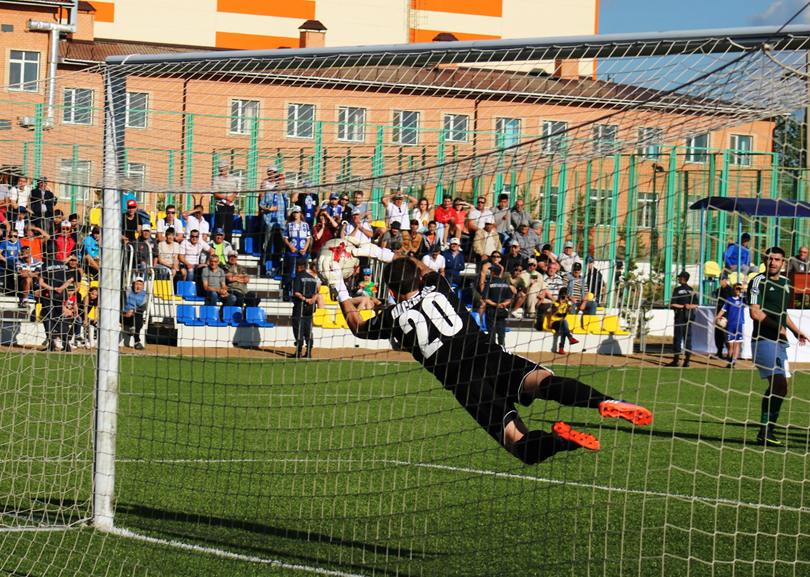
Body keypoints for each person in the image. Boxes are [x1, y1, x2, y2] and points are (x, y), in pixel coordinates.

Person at [324, 255, 653, 465]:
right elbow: (424, 269)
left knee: (518, 443)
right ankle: (607, 401)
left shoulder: (393, 316)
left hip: (464, 383)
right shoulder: (438, 286)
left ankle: (559, 440)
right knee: (544, 381)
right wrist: (385, 253)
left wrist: (339, 285)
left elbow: (357, 326)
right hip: (489, 355)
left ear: (391, 290)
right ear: (417, 277)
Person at [748, 247, 809, 447]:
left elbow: (783, 313)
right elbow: (754, 313)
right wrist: (777, 328)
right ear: (765, 261)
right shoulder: (758, 281)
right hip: (764, 340)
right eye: (769, 259)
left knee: (782, 388)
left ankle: (768, 430)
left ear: (783, 264)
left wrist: (794, 330)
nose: (772, 262)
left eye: (777, 260)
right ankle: (765, 430)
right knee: (778, 385)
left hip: (779, 341)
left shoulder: (786, 283)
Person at [258, 168, 288, 275]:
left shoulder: (284, 195)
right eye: (279, 182)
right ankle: (264, 266)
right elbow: (261, 205)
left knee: (280, 244)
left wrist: (286, 218)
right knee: (268, 244)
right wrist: (269, 209)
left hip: (280, 222)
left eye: (281, 182)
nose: (280, 184)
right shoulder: (269, 193)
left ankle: (277, 266)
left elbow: (287, 208)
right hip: (269, 221)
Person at [666, 271, 698, 368]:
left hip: (680, 316)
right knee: (688, 338)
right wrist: (689, 306)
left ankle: (676, 361)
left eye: (680, 278)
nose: (679, 279)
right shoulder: (691, 290)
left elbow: (672, 303)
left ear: (683, 279)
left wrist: (683, 306)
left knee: (678, 338)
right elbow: (696, 304)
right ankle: (687, 361)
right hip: (688, 317)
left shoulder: (678, 290)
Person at [291, 257, 319, 358]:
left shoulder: (298, 277)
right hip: (310, 307)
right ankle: (309, 352)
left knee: (298, 328)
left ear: (298, 267)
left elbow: (296, 292)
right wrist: (311, 300)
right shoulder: (312, 278)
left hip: (300, 305)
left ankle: (298, 352)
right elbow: (316, 293)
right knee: (308, 328)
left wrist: (305, 299)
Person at [282, 206, 311, 301]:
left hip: (302, 252)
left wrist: (305, 249)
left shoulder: (305, 225)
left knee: (302, 272)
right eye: (294, 212)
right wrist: (290, 246)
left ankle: (301, 292)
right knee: (289, 272)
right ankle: (286, 293)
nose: (296, 214)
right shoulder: (289, 225)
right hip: (292, 251)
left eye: (297, 212)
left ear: (300, 213)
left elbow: (308, 238)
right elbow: (285, 238)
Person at [715, 282, 745, 368]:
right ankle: (730, 359)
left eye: (739, 289)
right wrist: (716, 318)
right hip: (730, 324)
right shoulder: (729, 299)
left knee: (737, 344)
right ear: (733, 289)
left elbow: (750, 296)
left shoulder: (742, 299)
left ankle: (733, 362)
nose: (738, 291)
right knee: (730, 344)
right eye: (736, 289)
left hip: (739, 324)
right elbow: (723, 310)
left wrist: (743, 289)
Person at [482, 263, 512, 346]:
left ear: (493, 273)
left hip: (492, 310)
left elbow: (485, 298)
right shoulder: (505, 284)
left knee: (492, 331)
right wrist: (502, 304)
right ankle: (502, 347)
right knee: (501, 330)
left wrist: (495, 304)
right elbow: (510, 299)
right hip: (502, 310)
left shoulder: (489, 284)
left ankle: (492, 347)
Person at [213, 160, 239, 243]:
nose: (222, 170)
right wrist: (226, 197)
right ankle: (216, 242)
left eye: (224, 168)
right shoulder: (216, 179)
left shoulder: (232, 178)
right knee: (219, 225)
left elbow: (235, 190)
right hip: (220, 205)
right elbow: (215, 194)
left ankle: (228, 243)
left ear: (227, 168)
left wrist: (232, 198)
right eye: (220, 169)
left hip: (230, 205)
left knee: (229, 226)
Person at [550, 287, 579, 354]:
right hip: (554, 323)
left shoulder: (567, 304)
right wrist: (560, 305)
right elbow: (554, 313)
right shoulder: (554, 303)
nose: (563, 297)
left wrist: (568, 303)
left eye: (565, 295)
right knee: (564, 322)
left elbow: (571, 312)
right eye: (562, 295)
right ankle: (570, 338)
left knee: (564, 330)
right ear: (559, 295)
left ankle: (561, 348)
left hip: (562, 324)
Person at [122, 276, 148, 350]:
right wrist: (124, 312)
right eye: (137, 284)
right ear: (133, 284)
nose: (138, 286)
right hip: (124, 315)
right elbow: (121, 303)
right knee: (138, 321)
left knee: (138, 315)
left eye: (140, 284)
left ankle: (136, 339)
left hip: (135, 315)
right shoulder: (127, 291)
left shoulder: (144, 295)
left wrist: (133, 310)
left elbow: (143, 308)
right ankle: (137, 342)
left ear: (142, 286)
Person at [713, 273, 734, 358]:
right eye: (720, 279)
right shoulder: (718, 290)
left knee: (726, 335)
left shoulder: (730, 290)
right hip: (719, 313)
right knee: (718, 334)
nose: (721, 281)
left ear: (726, 280)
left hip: (727, 314)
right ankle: (719, 352)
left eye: (723, 279)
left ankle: (730, 354)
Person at [81, 284, 99, 349]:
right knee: (85, 324)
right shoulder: (87, 297)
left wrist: (95, 318)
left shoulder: (96, 300)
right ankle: (85, 340)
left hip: (87, 315)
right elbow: (85, 309)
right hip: (81, 313)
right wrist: (85, 320)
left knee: (95, 323)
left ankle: (95, 340)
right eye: (92, 294)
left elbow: (95, 309)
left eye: (96, 295)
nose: (94, 296)